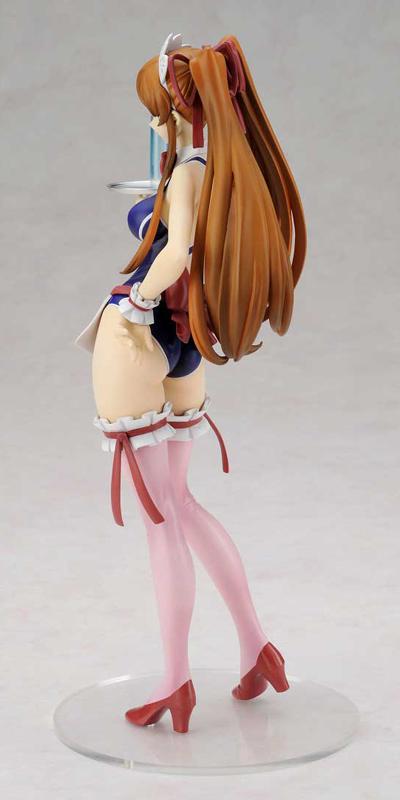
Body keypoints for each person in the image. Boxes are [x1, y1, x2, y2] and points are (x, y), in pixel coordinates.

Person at [74, 33, 306, 733]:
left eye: (158, 108)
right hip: (187, 347)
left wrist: (139, 302)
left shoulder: (187, 176)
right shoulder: (230, 170)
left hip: (144, 336)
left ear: (178, 107)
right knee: (181, 502)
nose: (153, 120)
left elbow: (177, 249)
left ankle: (175, 682)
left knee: (161, 523)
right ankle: (256, 644)